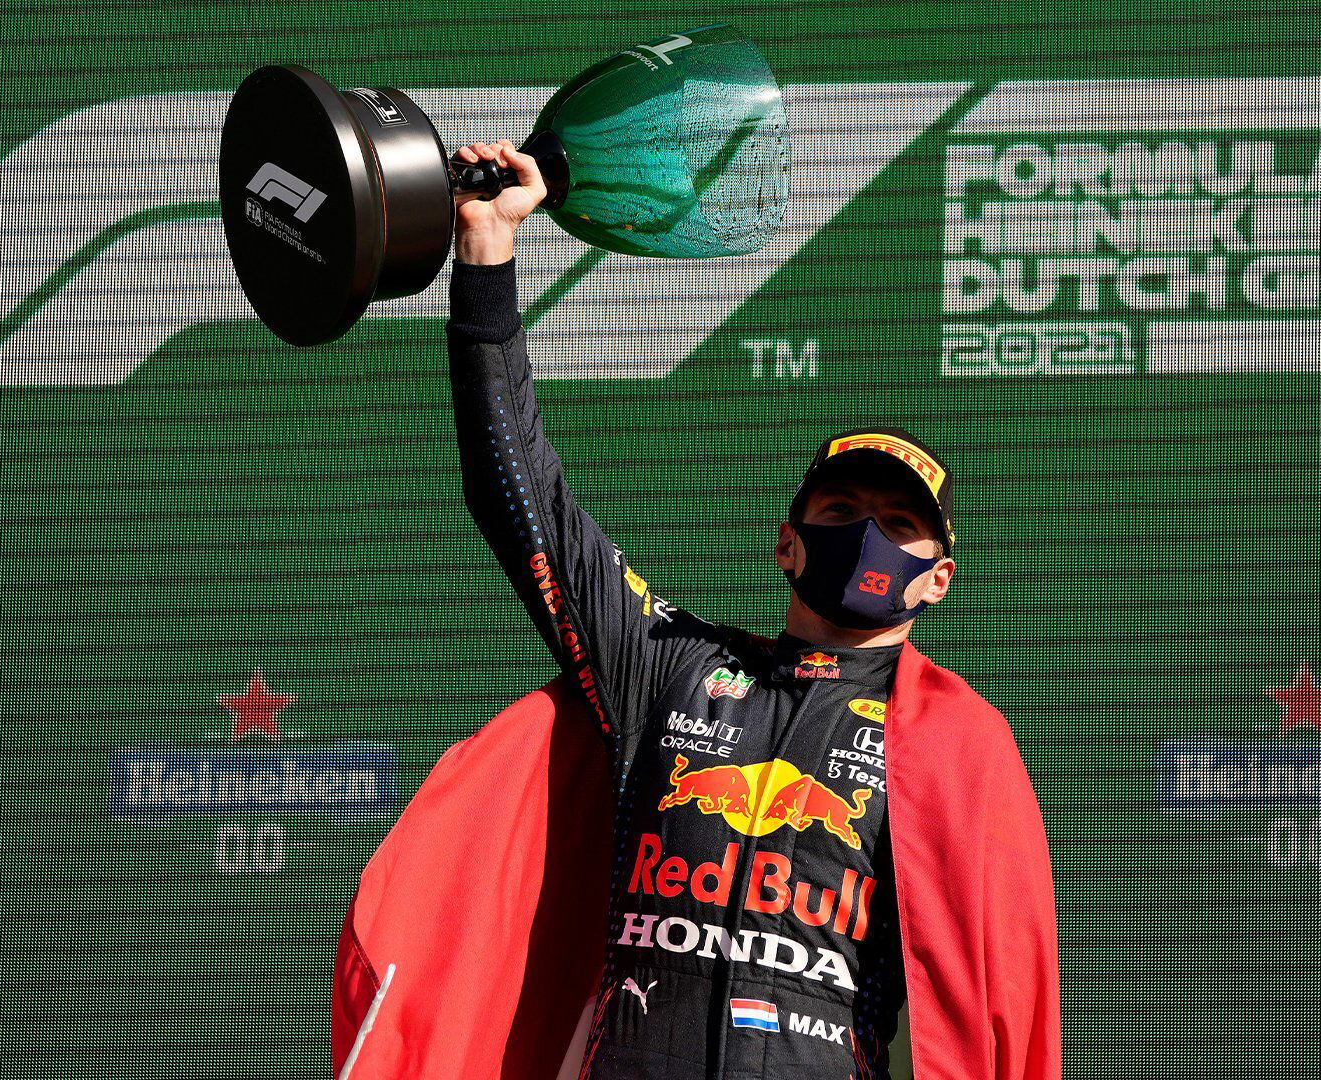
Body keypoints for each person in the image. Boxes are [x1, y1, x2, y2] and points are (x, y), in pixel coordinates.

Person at [331, 140, 1060, 1080]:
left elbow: (1000, 1002)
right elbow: (524, 508)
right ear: (786, 542)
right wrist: (487, 250)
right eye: (840, 513)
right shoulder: (669, 664)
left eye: (898, 525)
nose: (867, 536)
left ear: (938, 578)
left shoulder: (959, 744)